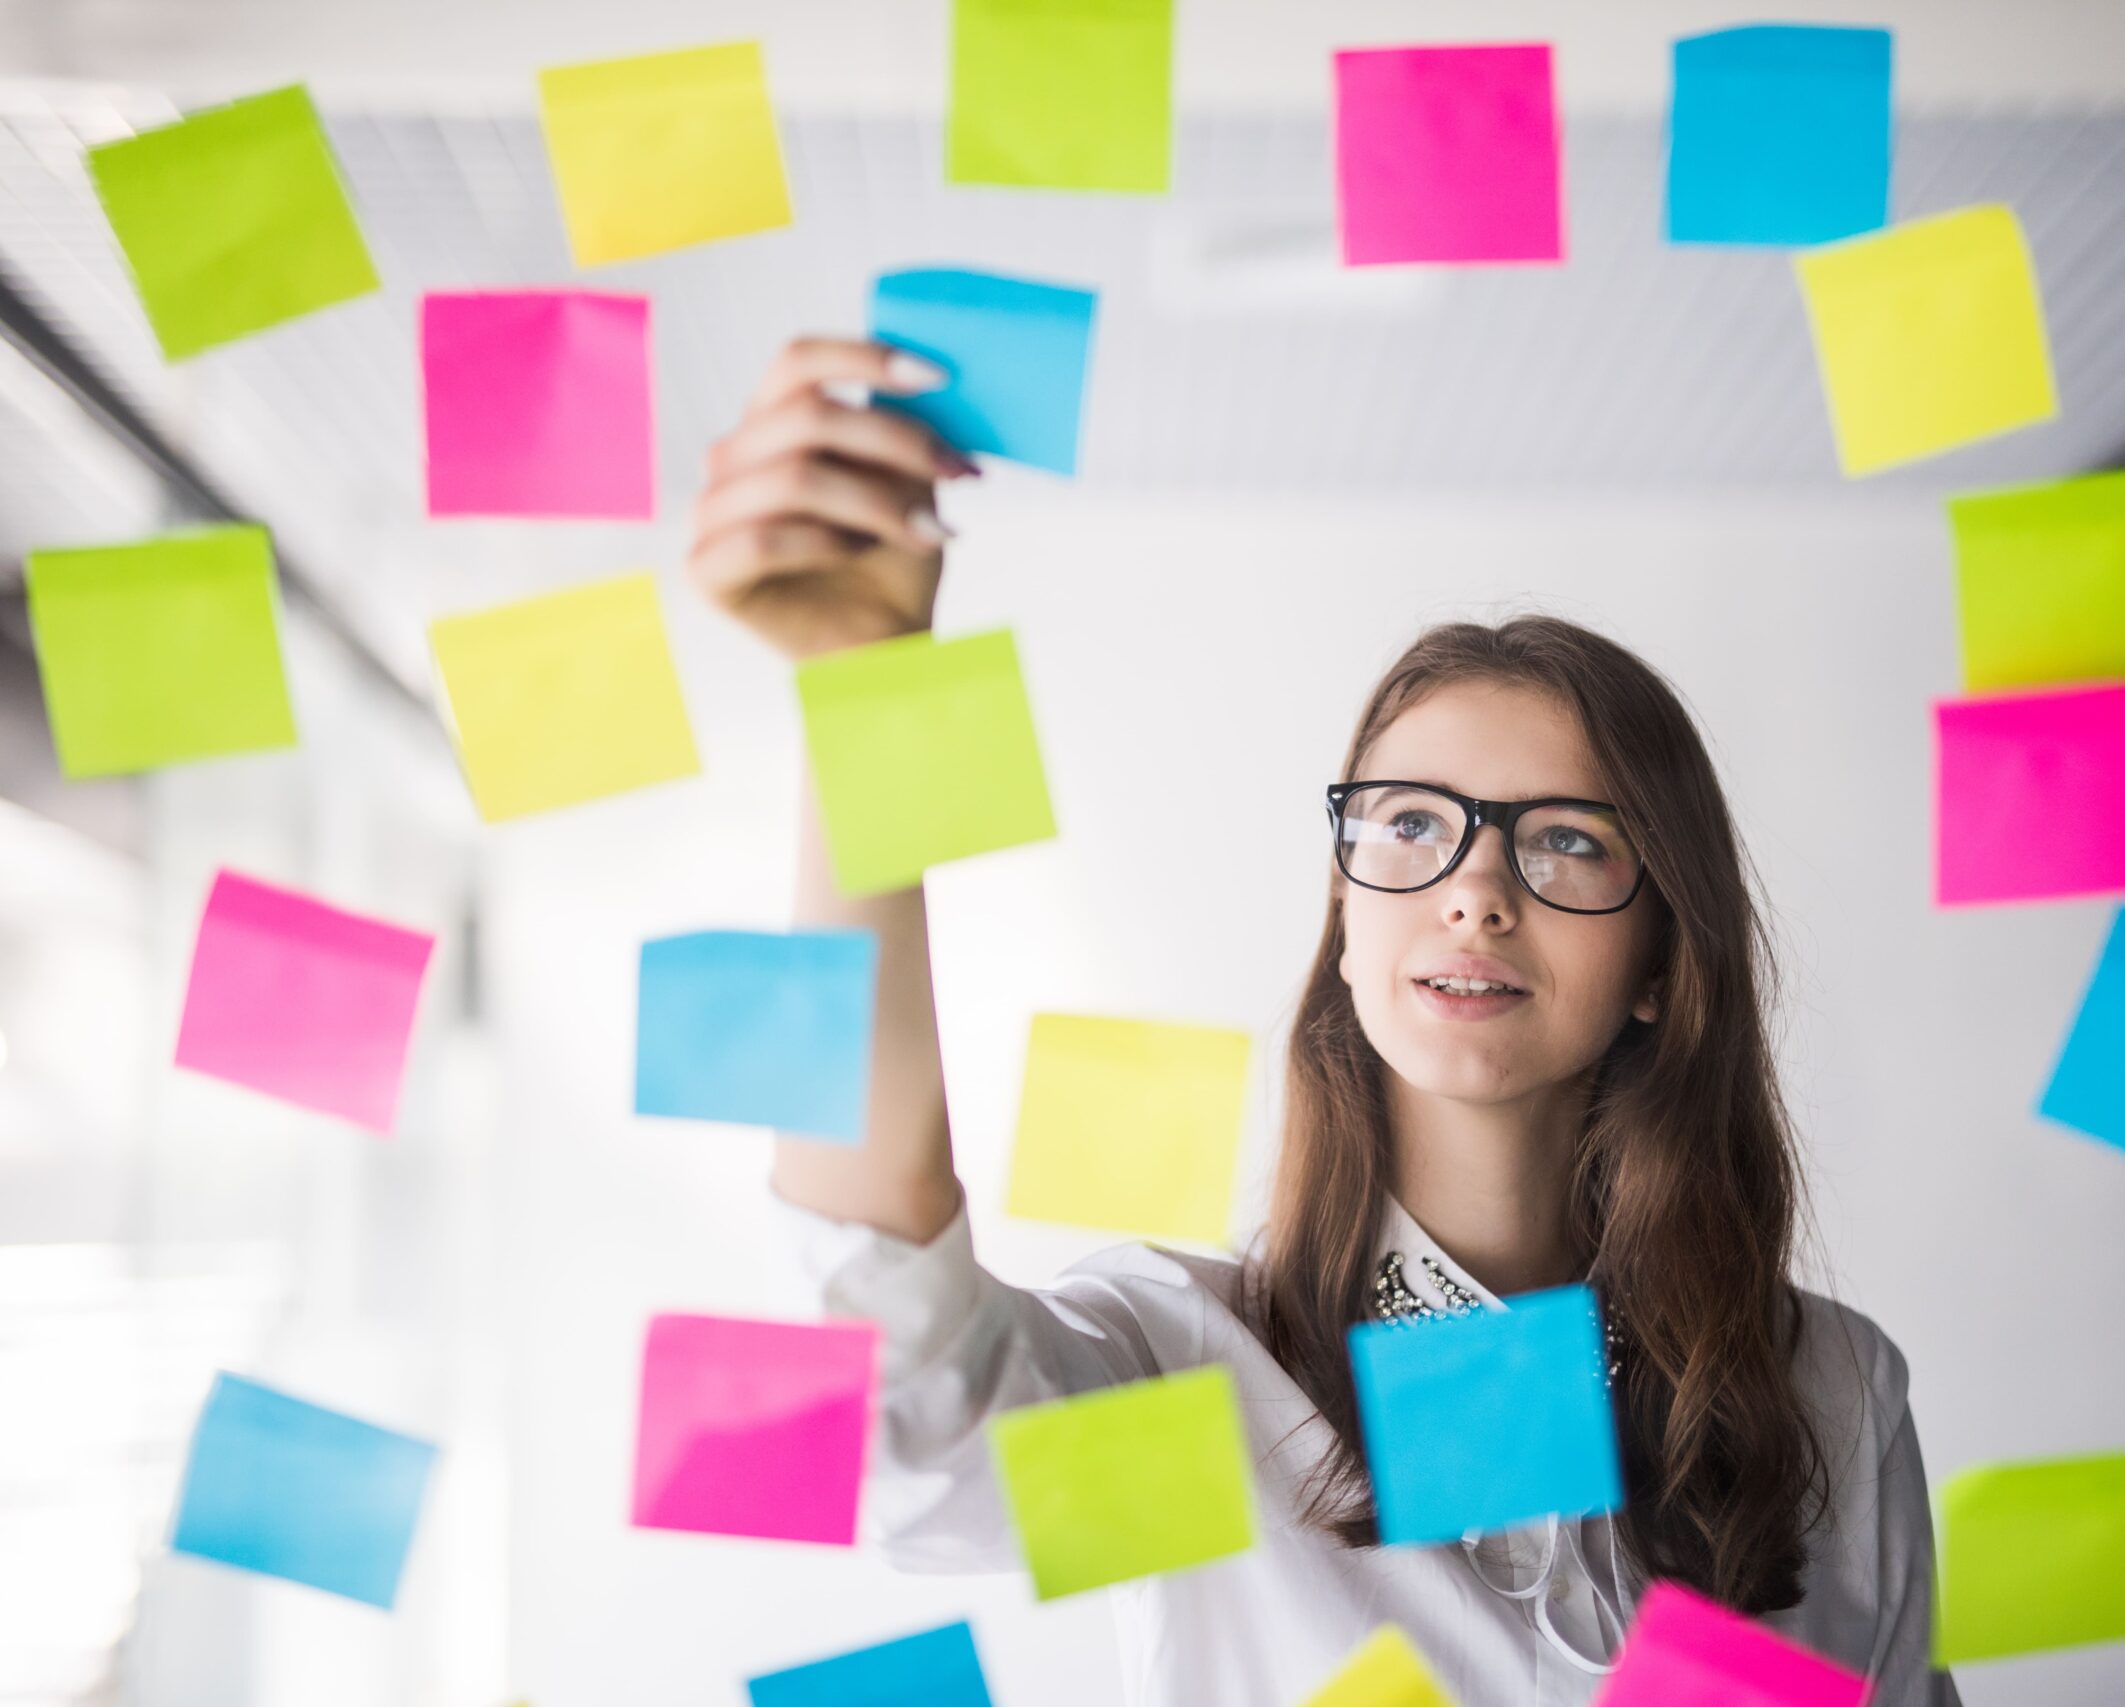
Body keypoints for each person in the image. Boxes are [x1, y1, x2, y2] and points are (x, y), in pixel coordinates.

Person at [686, 335, 1962, 1707]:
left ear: (1665, 955)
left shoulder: (1833, 1389)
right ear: (1346, 926)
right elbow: (897, 1419)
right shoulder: (1190, 1366)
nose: (1475, 891)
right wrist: (860, 694)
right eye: (1411, 825)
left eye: (1569, 843)